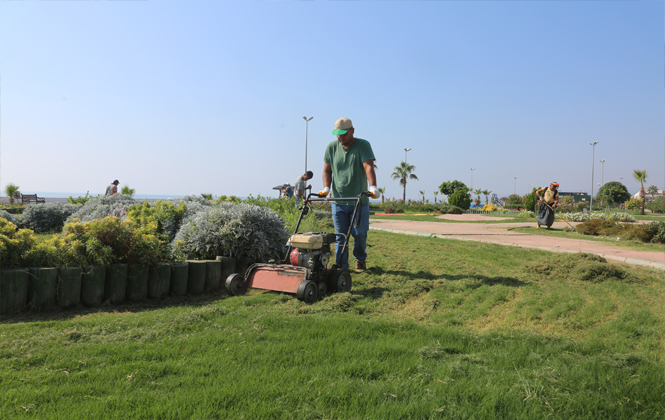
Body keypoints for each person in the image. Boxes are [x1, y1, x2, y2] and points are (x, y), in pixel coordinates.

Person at [319, 118, 378, 273]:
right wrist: (326, 188)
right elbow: (327, 171)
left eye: (343, 134)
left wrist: (373, 187)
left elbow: (368, 166)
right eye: (337, 134)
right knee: (340, 236)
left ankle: (360, 259)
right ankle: (341, 266)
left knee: (360, 234)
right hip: (338, 201)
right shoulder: (331, 147)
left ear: (352, 130)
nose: (340, 137)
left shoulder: (363, 145)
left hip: (359, 201)